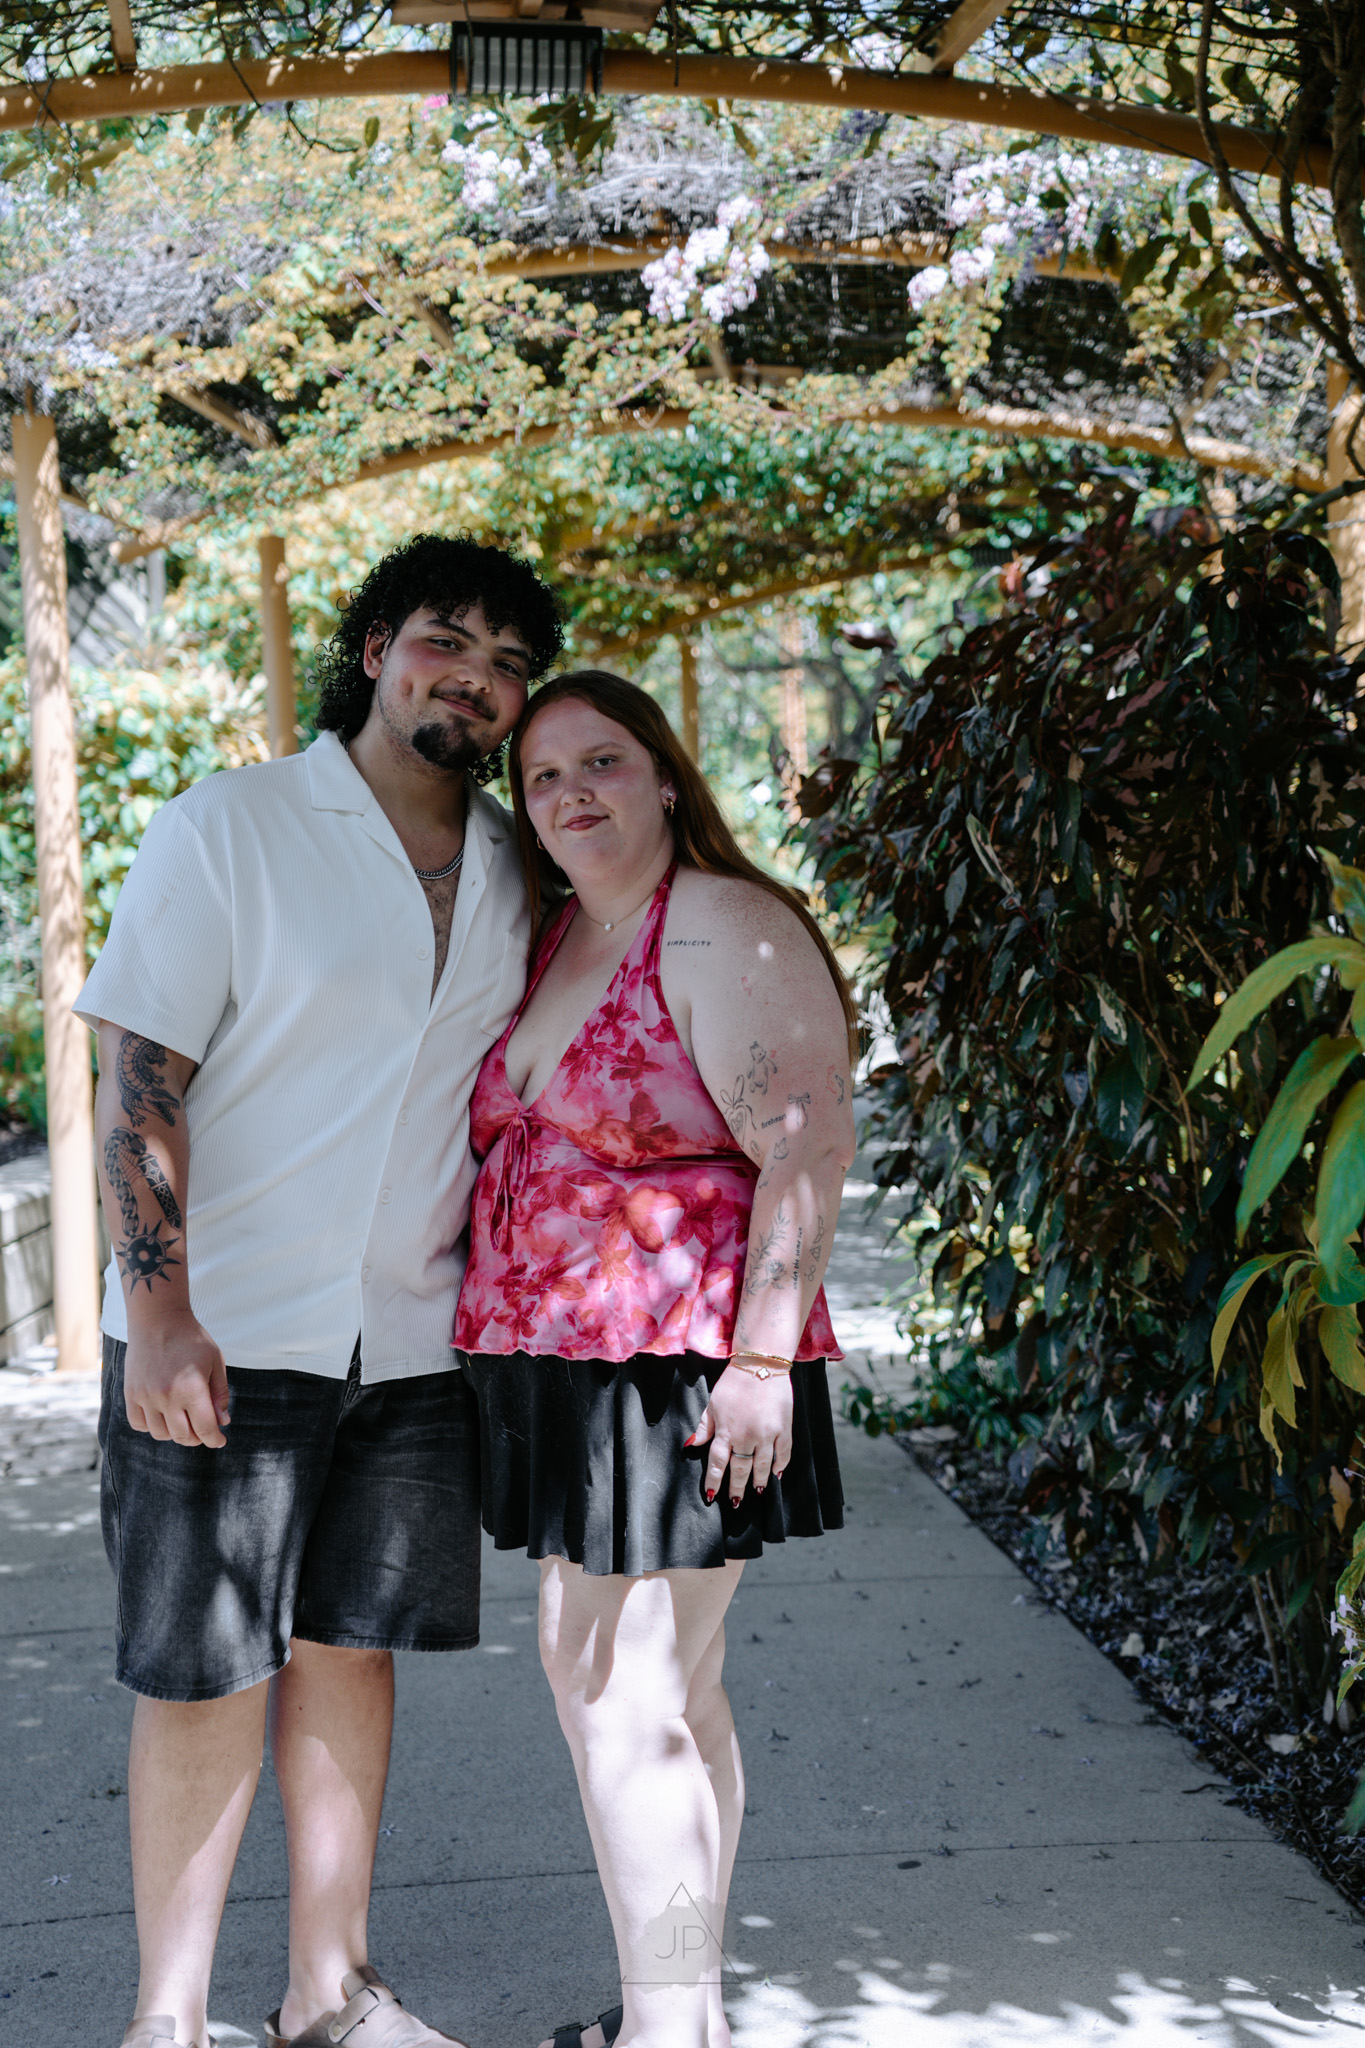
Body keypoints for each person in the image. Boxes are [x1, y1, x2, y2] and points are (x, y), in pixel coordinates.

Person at [77, 535, 563, 2048]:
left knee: (354, 1653)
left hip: (415, 1341)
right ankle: (167, 2022)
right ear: (375, 651)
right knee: (206, 1674)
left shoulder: (521, 868)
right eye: (444, 642)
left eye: (506, 665)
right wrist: (160, 1311)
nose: (472, 681)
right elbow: (139, 1078)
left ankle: (327, 1995)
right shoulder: (231, 826)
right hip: (226, 1331)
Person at [454, 671, 857, 2048]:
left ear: (667, 776)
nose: (571, 792)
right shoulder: (564, 933)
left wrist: (761, 1366)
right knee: (663, 1689)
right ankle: (685, 2012)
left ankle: (669, 2026)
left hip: (676, 1369)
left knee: (616, 1692)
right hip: (570, 1368)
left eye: (603, 762)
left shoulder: (720, 925)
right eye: (543, 776)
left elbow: (807, 1144)